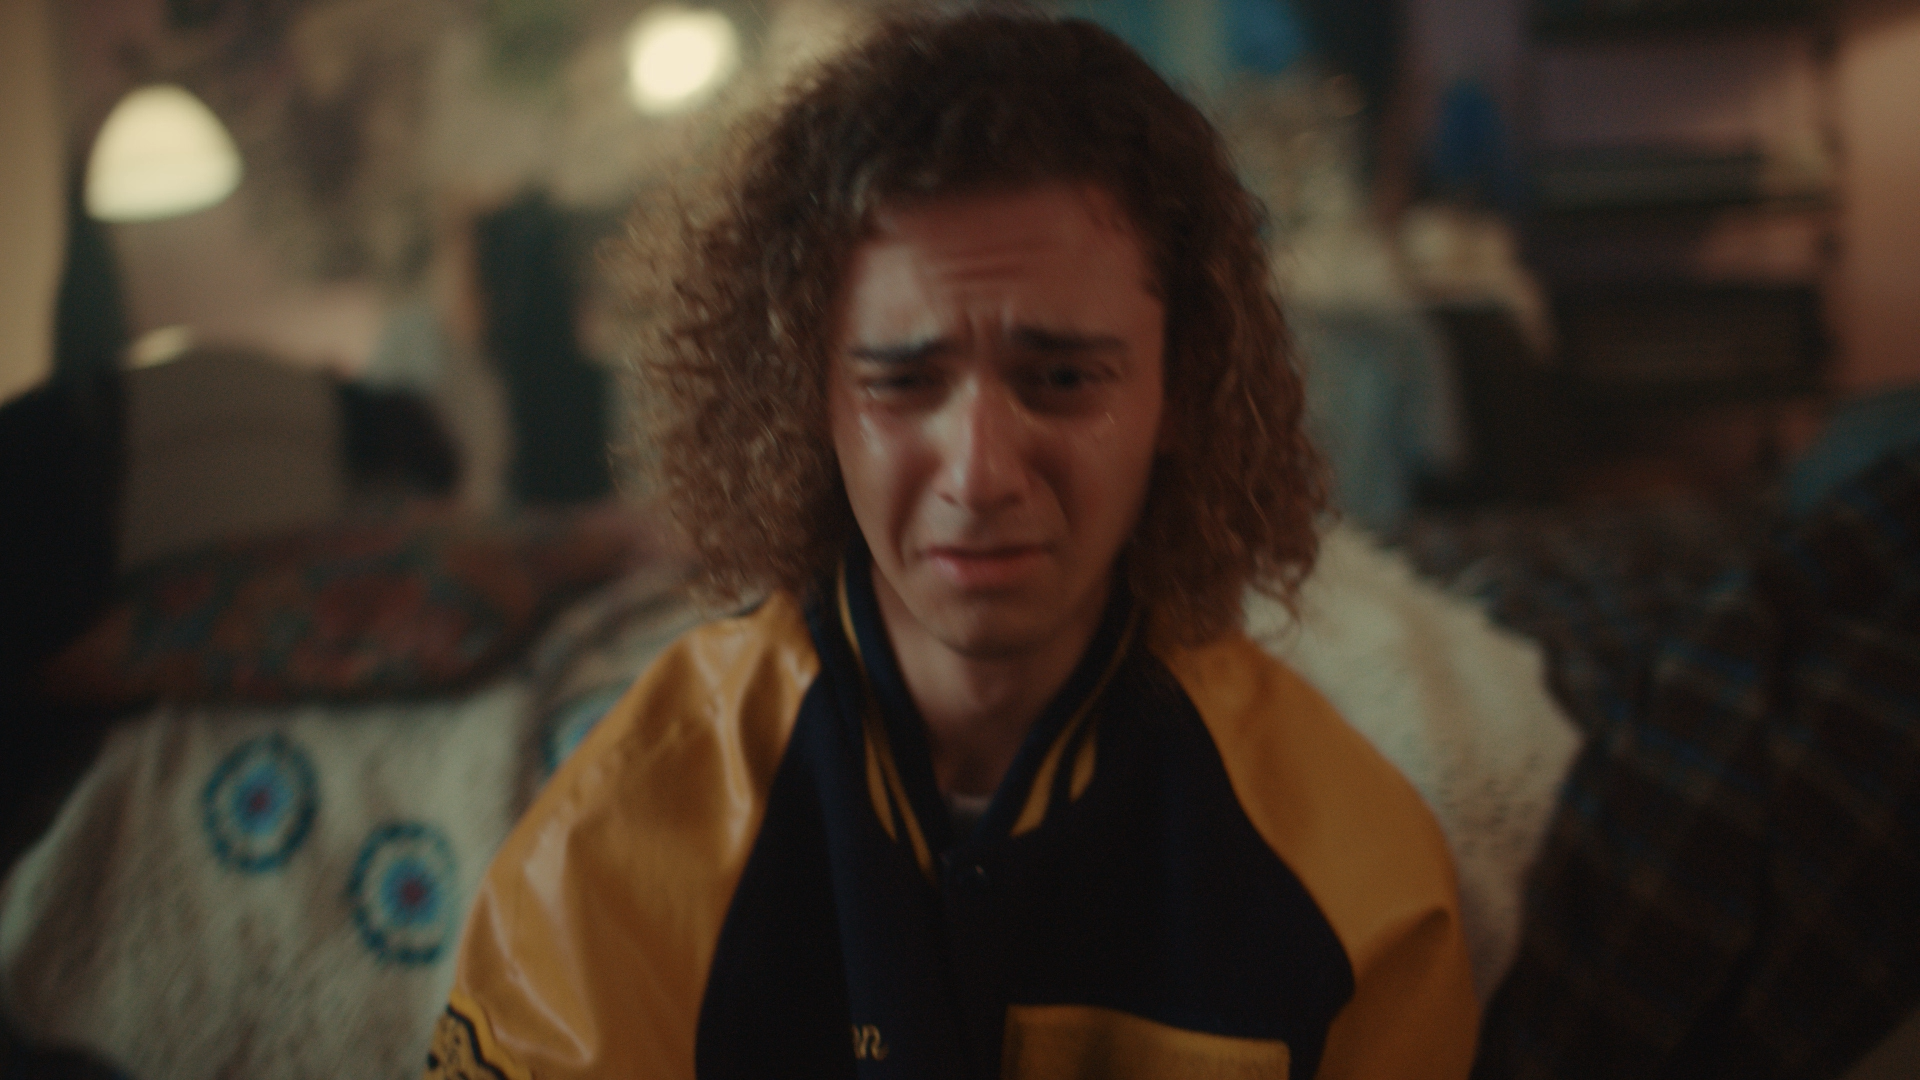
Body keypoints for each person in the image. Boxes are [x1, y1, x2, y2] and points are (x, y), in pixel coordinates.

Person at [427, 12, 1477, 1079]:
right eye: (902, 382)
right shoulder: (626, 838)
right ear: (808, 399)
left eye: (1062, 379)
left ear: (1182, 391)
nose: (978, 475)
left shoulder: (1357, 886)